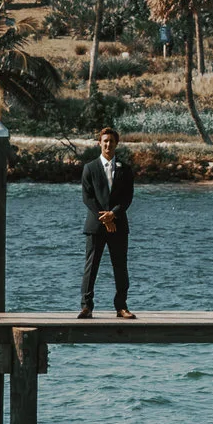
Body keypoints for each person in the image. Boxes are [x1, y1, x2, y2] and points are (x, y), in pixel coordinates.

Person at [79, 127, 135, 319]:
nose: (108, 144)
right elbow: (87, 197)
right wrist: (104, 217)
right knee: (91, 266)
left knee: (120, 266)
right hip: (95, 226)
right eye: (105, 141)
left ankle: (121, 306)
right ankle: (86, 306)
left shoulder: (125, 169)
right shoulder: (90, 168)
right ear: (99, 143)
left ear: (116, 143)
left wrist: (113, 215)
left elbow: (128, 197)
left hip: (119, 224)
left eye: (111, 141)